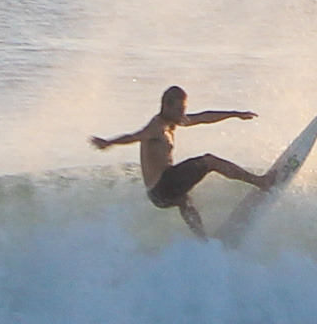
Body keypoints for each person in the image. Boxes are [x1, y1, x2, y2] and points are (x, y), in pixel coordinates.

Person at [89, 86, 274, 239]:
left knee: (184, 200)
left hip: (157, 195)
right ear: (166, 106)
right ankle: (261, 182)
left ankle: (203, 240)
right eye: (179, 109)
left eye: (184, 109)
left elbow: (203, 117)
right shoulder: (157, 126)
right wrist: (109, 142)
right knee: (209, 161)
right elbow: (135, 136)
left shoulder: (173, 121)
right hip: (163, 185)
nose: (182, 113)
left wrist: (235, 114)